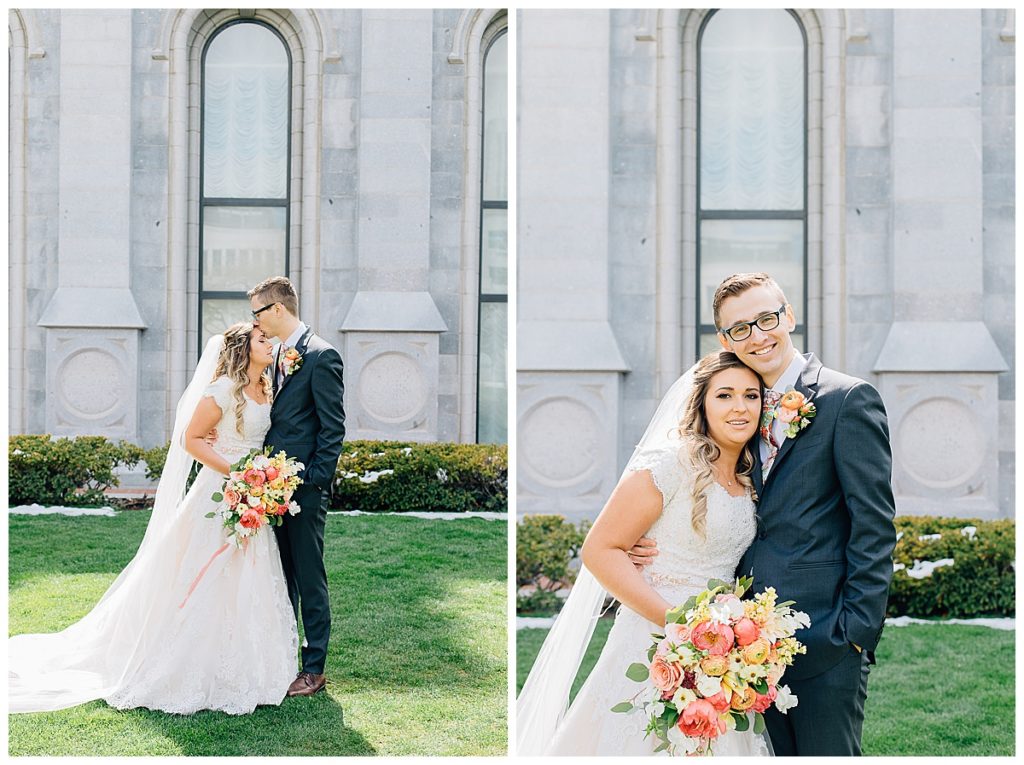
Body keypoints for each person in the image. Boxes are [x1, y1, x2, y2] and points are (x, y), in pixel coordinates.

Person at [629, 272, 897, 756]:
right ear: (724, 339)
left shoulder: (847, 400)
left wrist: (854, 635)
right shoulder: (736, 405)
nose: (757, 335)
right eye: (739, 328)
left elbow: (874, 526)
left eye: (766, 318)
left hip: (825, 640)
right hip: (740, 648)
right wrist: (647, 542)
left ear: (788, 316)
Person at [9, 323, 298, 715]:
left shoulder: (268, 385)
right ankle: (188, 663)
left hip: (254, 491)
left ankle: (253, 665)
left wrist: (261, 476)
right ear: (243, 349)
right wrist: (236, 472)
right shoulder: (221, 391)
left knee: (250, 571)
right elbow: (191, 439)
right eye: (262, 340)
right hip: (222, 490)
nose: (271, 344)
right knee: (205, 570)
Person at [517, 350, 772, 756]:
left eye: (751, 396)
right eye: (724, 395)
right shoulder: (670, 464)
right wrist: (679, 626)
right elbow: (600, 549)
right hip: (655, 637)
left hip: (724, 648)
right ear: (702, 404)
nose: (740, 407)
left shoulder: (751, 475)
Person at [247, 276, 346, 697]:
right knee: (280, 574)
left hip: (304, 490)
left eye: (257, 313)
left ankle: (314, 667)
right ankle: (284, 656)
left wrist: (313, 484)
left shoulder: (322, 356)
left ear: (278, 310)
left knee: (309, 576)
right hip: (271, 488)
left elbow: (332, 429)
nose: (254, 322)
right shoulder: (275, 356)